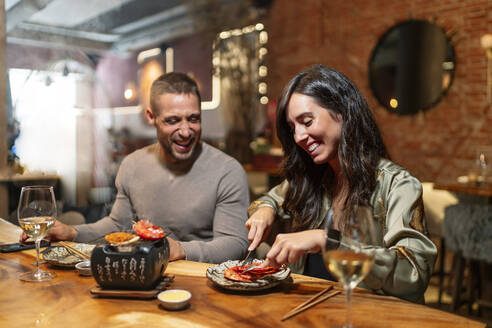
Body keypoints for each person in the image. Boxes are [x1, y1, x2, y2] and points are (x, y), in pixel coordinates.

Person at [245, 65, 437, 303]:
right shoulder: (314, 177)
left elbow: (414, 272)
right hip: (313, 311)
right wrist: (265, 210)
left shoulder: (397, 184)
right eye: (293, 128)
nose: (298, 137)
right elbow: (270, 199)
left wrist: (328, 241)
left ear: (343, 111)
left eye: (307, 121)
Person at [21, 72, 250, 264]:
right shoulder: (132, 165)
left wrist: (180, 249)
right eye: (173, 121)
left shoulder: (227, 171)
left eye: (193, 119)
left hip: (203, 284)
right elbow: (118, 225)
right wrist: (73, 233)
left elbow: (234, 244)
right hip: (142, 278)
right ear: (151, 116)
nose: (186, 131)